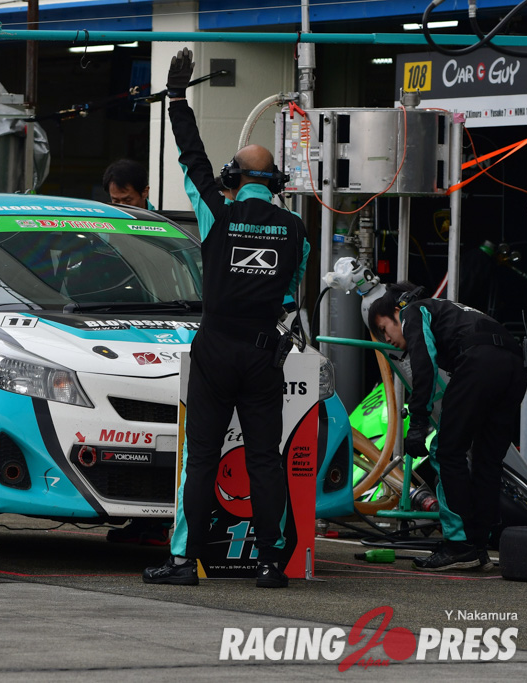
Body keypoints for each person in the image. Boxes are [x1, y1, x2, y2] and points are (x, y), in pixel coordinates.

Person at [142, 48, 309, 589]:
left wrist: (177, 99)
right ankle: (271, 564)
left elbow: (191, 158)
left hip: (215, 350)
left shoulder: (217, 211)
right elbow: (290, 296)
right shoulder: (296, 231)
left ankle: (182, 563)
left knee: (201, 459)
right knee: (265, 460)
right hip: (263, 355)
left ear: (233, 177)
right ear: (276, 182)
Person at [368, 281, 527, 571]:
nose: (385, 338)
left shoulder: (412, 311)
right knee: (487, 461)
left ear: (396, 312)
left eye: (383, 328)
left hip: (479, 361)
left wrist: (418, 421)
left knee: (446, 452)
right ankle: (478, 545)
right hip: (514, 365)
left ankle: (458, 545)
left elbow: (424, 363)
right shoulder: (452, 309)